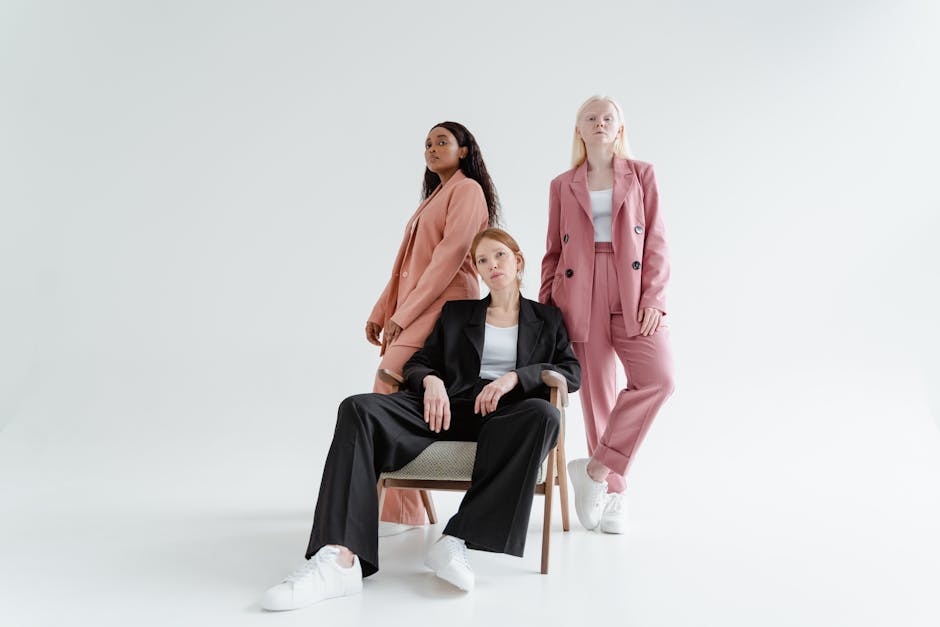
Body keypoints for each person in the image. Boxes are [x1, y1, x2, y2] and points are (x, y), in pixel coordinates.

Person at [262, 228, 580, 611]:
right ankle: (339, 558)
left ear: (518, 261)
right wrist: (431, 382)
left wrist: (517, 377)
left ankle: (456, 541)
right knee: (357, 408)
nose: (492, 265)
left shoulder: (547, 319)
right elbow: (421, 362)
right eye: (482, 260)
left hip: (508, 417)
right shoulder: (458, 313)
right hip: (446, 409)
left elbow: (570, 373)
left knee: (544, 415)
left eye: (499, 256)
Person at [539, 95, 675, 535]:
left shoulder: (641, 175)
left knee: (658, 379)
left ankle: (596, 472)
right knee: (599, 394)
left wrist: (653, 299)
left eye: (608, 117)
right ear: (578, 128)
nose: (600, 123)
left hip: (631, 286)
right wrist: (545, 311)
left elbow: (656, 241)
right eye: (590, 117)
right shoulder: (563, 184)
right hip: (577, 292)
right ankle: (616, 494)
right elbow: (552, 254)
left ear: (620, 128)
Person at [365, 121, 499, 534]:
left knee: (389, 379)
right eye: (427, 143)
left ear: (463, 150)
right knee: (394, 386)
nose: (432, 148)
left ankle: (399, 511)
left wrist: (402, 316)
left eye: (442, 141)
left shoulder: (467, 190)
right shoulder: (434, 197)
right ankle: (406, 508)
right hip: (419, 302)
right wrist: (382, 309)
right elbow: (405, 266)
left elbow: (448, 258)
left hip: (446, 306)